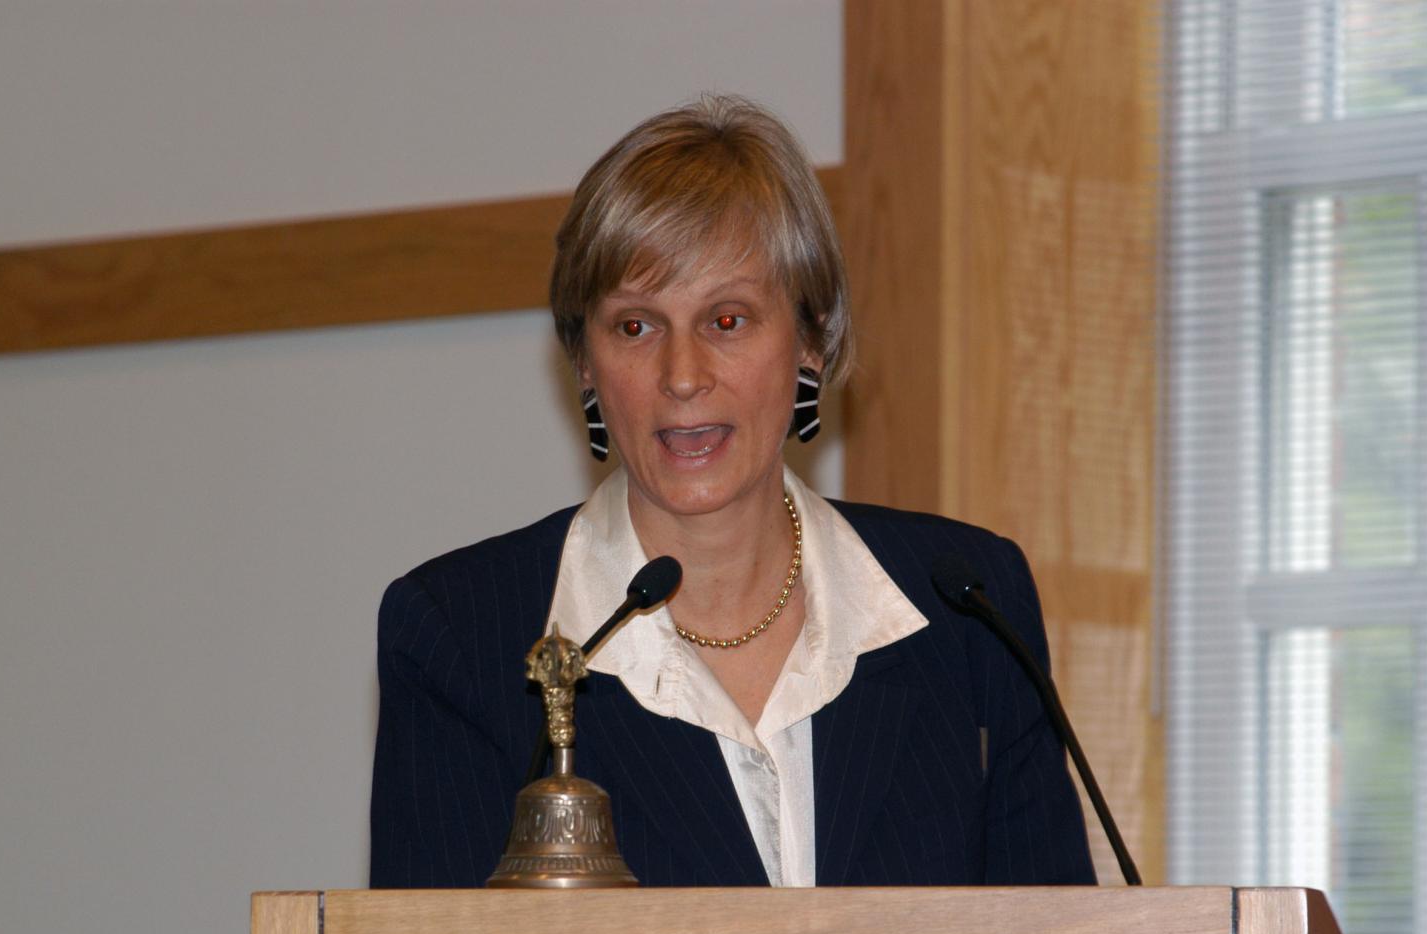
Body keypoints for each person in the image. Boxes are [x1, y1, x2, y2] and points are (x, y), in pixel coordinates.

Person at [370, 96, 1095, 889]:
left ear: (812, 339)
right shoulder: (463, 636)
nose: (683, 377)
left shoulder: (966, 605)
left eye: (727, 319)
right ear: (584, 361)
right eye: (636, 327)